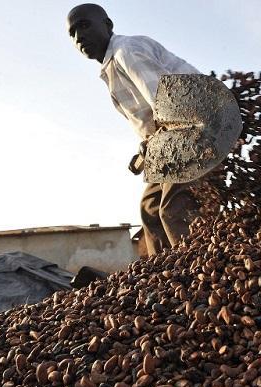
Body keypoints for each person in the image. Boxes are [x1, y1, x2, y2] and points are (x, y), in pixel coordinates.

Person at [67, 3, 200, 256]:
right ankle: (164, 274)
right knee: (149, 211)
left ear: (108, 25)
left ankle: (199, 272)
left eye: (84, 26)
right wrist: (147, 146)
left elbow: (170, 103)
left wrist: (156, 143)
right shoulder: (111, 68)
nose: (79, 37)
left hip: (194, 126)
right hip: (167, 139)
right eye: (72, 33)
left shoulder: (126, 52)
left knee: (173, 209)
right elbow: (153, 119)